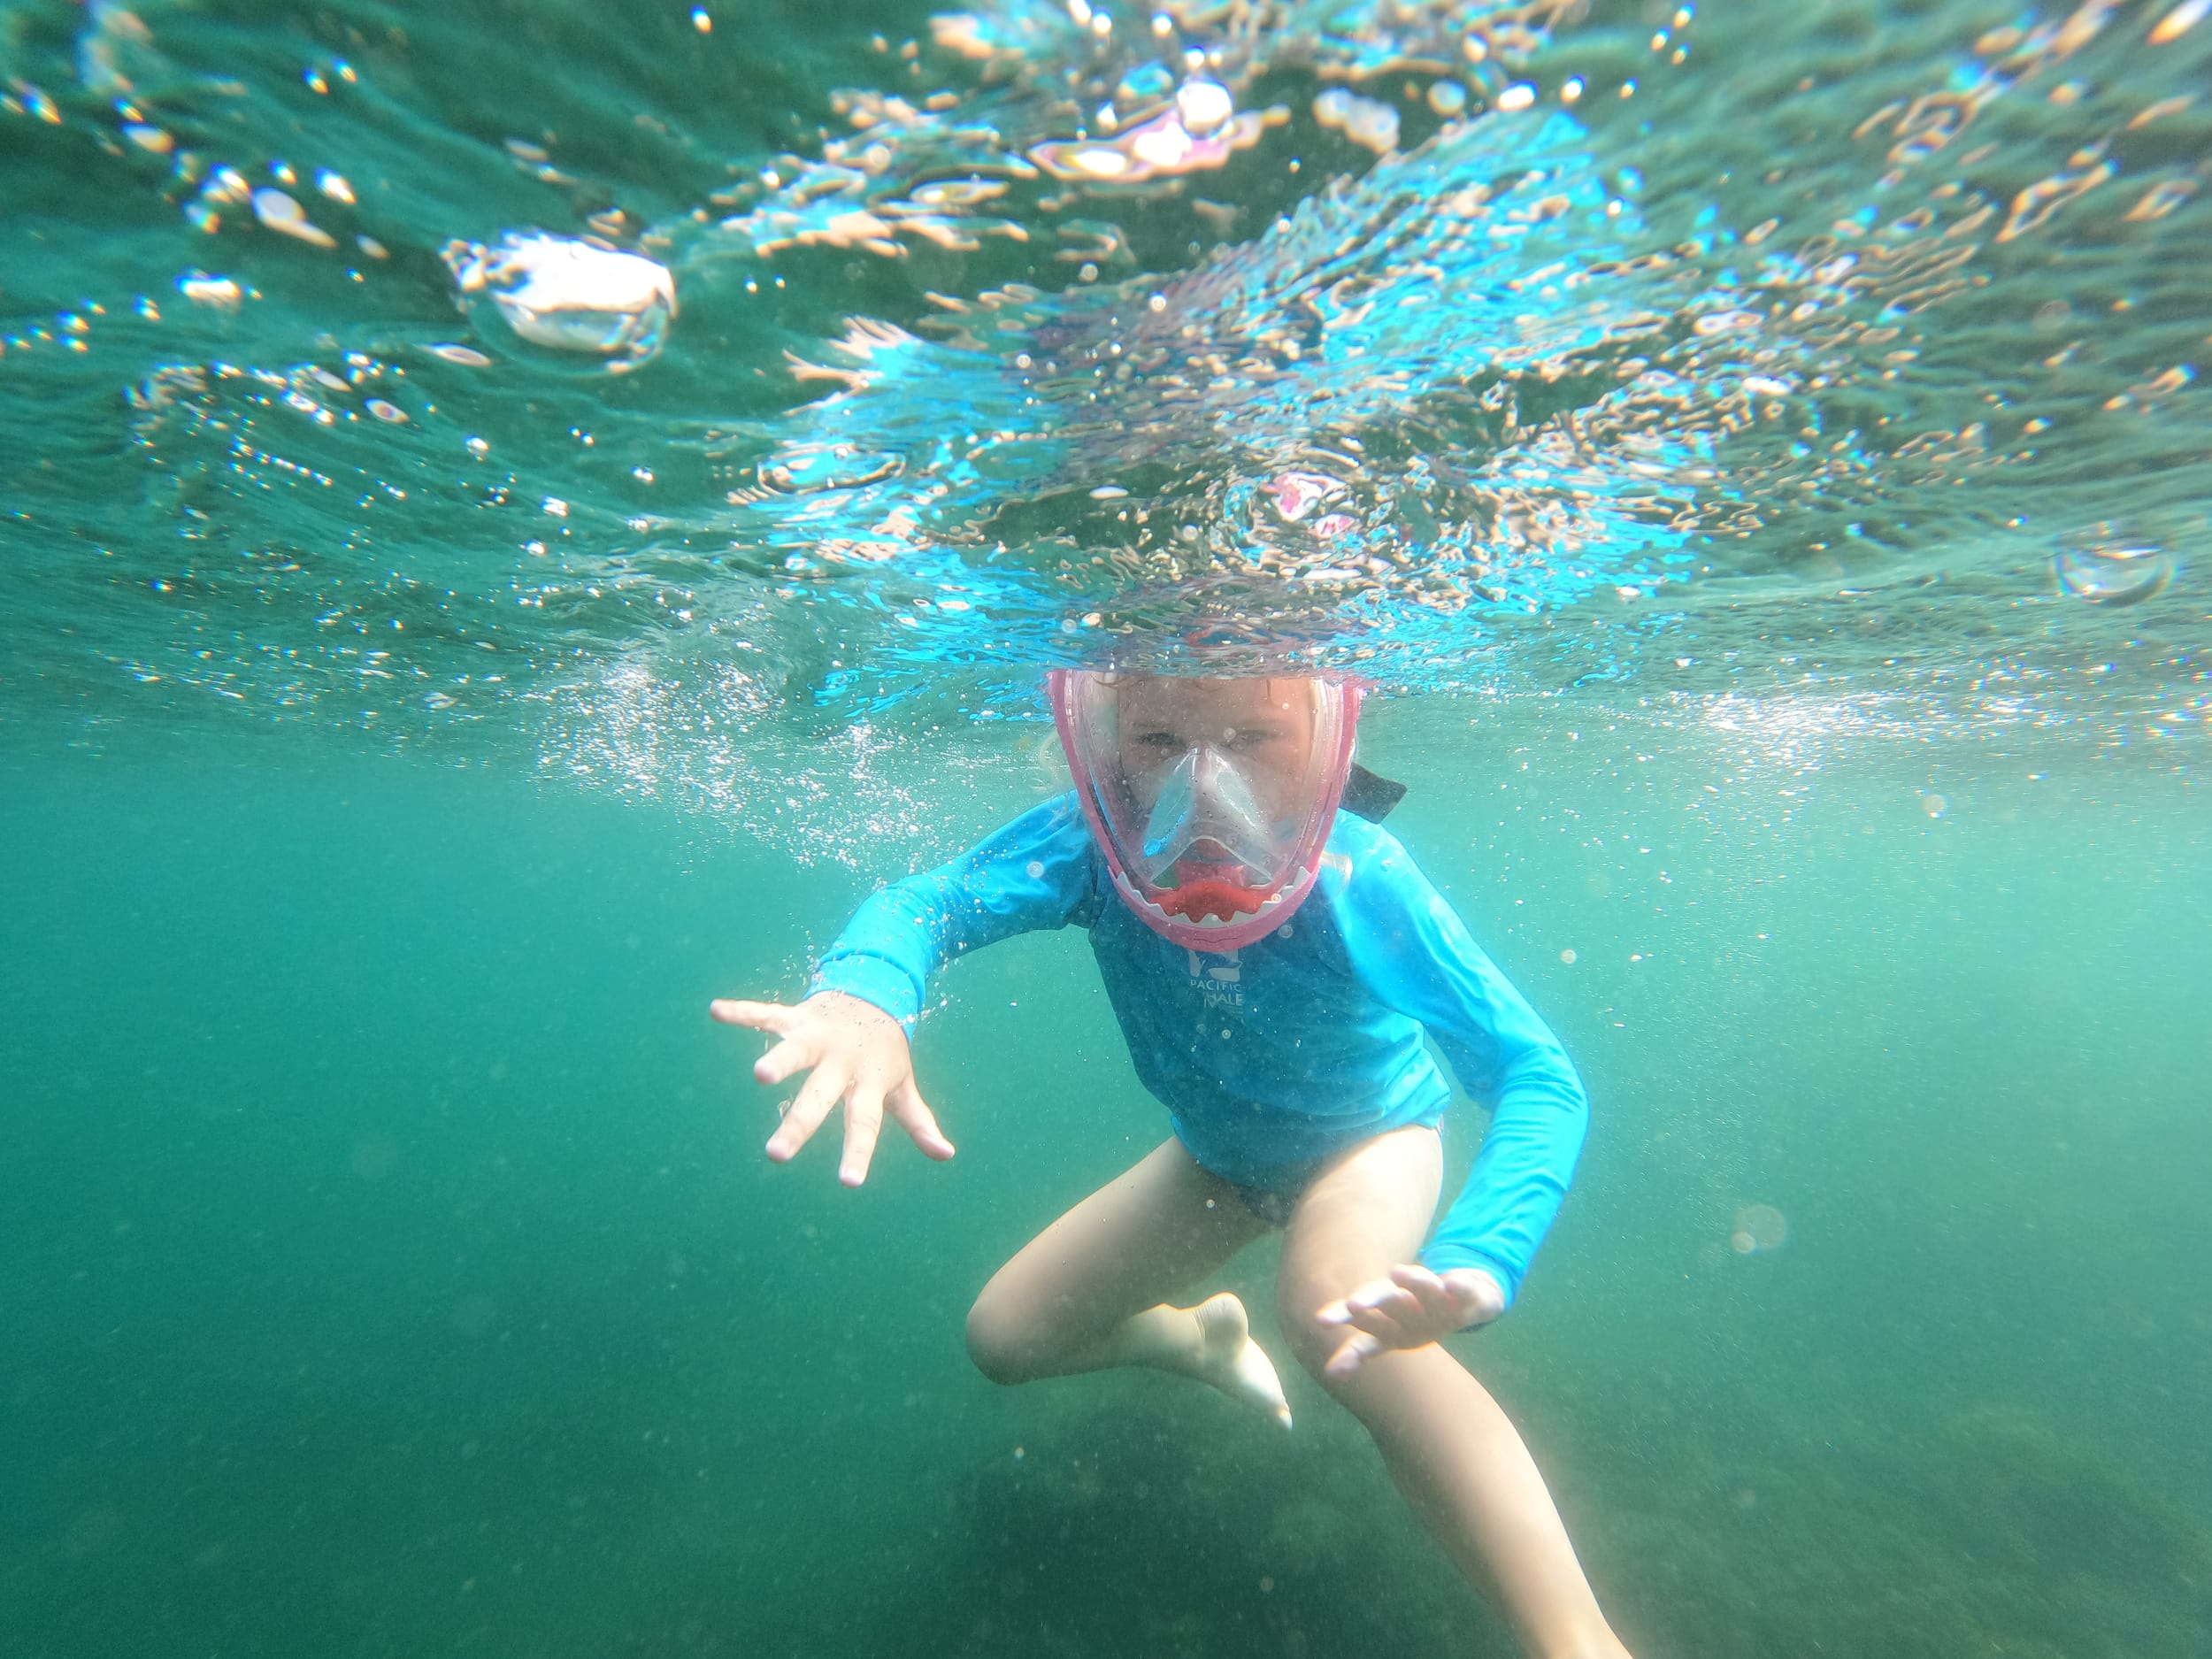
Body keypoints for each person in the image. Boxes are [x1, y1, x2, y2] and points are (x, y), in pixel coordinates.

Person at [711, 671, 1632, 1659]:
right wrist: (864, 996)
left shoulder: (1357, 879)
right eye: (1157, 741)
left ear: (1326, 743)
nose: (1204, 790)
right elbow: (928, 903)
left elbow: (1537, 1074)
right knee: (1006, 1338)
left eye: (1252, 738)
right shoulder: (1087, 849)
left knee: (1333, 1319)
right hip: (1217, 1159)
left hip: (1368, 1139)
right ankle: (1194, 1343)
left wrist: (1481, 1254)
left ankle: (1577, 1642)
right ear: (1102, 744)